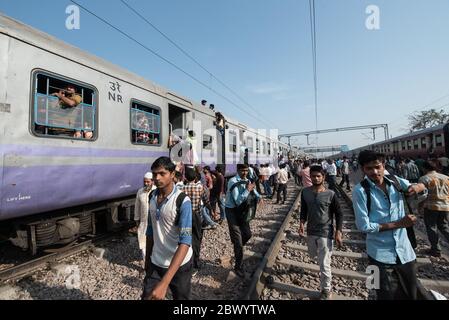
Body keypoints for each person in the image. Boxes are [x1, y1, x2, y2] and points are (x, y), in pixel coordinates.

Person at [352, 150, 427, 300]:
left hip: (406, 253)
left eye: (377, 167)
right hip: (378, 256)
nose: (374, 172)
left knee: (412, 294)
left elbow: (421, 190)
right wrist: (399, 224)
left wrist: (420, 187)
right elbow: (364, 226)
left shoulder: (395, 181)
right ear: (362, 169)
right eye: (369, 168)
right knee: (384, 295)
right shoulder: (360, 191)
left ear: (383, 165)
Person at [142, 157, 192, 300]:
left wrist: (164, 283)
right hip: (156, 262)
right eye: (154, 174)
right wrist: (148, 261)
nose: (156, 178)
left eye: (162, 174)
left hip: (179, 265)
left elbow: (185, 242)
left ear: (172, 175)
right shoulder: (152, 196)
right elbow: (150, 230)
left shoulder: (182, 201)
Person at [299, 165, 343, 300]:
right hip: (311, 231)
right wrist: (301, 224)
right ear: (310, 177)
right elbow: (304, 210)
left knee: (324, 263)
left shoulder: (331, 194)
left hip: (325, 232)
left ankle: (326, 289)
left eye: (318, 176)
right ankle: (324, 277)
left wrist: (338, 231)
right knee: (313, 255)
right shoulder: (305, 192)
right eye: (313, 176)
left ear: (323, 177)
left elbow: (339, 214)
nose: (316, 178)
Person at [225, 164, 261, 277]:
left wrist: (258, 196)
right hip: (232, 211)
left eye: (246, 170)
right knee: (238, 242)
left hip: (243, 211)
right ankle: (238, 266)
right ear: (238, 170)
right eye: (242, 170)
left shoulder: (247, 180)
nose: (245, 173)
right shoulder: (232, 181)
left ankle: (237, 245)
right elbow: (237, 200)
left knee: (248, 234)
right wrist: (247, 190)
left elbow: (253, 190)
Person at [182, 166, 215, 275]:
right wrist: (211, 211)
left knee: (185, 239)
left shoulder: (182, 189)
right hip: (196, 216)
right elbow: (206, 201)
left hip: (185, 216)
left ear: (185, 178)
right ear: (195, 178)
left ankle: (185, 262)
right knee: (196, 239)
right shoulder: (199, 187)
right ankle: (195, 263)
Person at [418, 160, 449, 257]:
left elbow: (422, 196)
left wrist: (420, 206)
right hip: (445, 206)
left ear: (424, 168)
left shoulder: (424, 179)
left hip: (431, 206)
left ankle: (436, 250)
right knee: (444, 226)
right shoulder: (446, 177)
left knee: (431, 227)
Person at [134, 172, 156, 261]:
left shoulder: (156, 191)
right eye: (145, 182)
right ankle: (146, 265)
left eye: (148, 182)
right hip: (143, 222)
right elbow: (137, 206)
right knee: (143, 243)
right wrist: (136, 219)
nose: (146, 184)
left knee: (154, 244)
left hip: (155, 223)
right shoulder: (140, 192)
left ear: (152, 181)